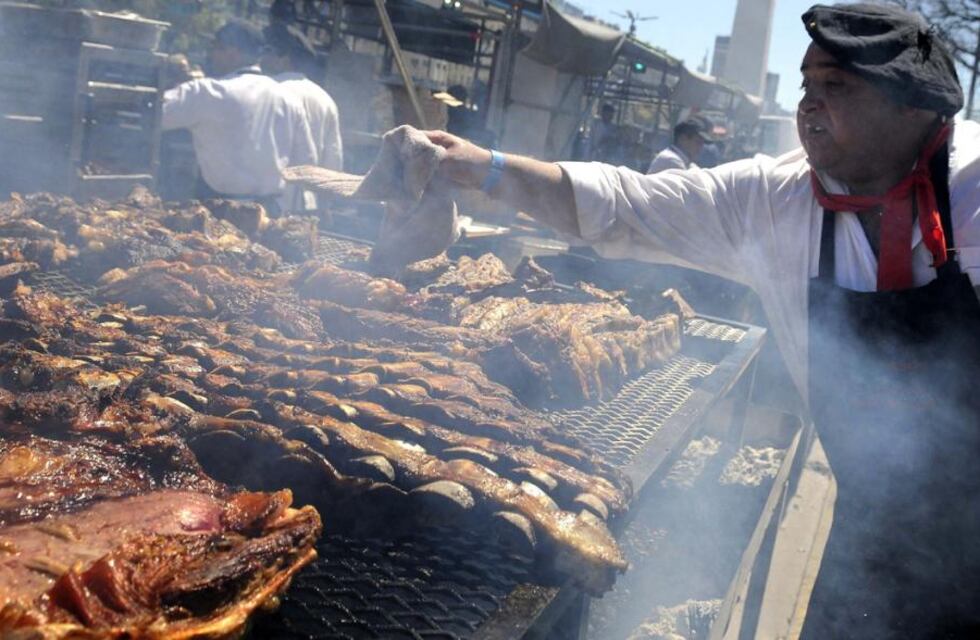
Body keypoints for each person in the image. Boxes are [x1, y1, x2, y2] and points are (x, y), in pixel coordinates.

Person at [418, 3, 980, 636]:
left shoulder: (974, 190)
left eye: (837, 86)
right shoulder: (776, 196)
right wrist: (484, 168)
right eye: (806, 85)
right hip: (872, 520)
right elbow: (627, 203)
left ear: (912, 105)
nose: (809, 104)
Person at [161, 18, 315, 214]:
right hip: (269, 214)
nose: (211, 54)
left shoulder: (207, 91)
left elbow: (156, 114)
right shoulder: (290, 100)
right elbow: (307, 160)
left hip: (218, 213)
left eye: (216, 47)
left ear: (233, 52)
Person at [262, 23, 343, 174]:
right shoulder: (325, 99)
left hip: (271, 193)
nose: (262, 58)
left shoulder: (269, 91)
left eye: (267, 51)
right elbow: (333, 163)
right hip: (309, 193)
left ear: (284, 59)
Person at [646, 117, 712, 173]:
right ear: (683, 138)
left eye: (702, 143)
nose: (701, 147)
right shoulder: (671, 161)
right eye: (698, 142)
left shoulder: (686, 162)